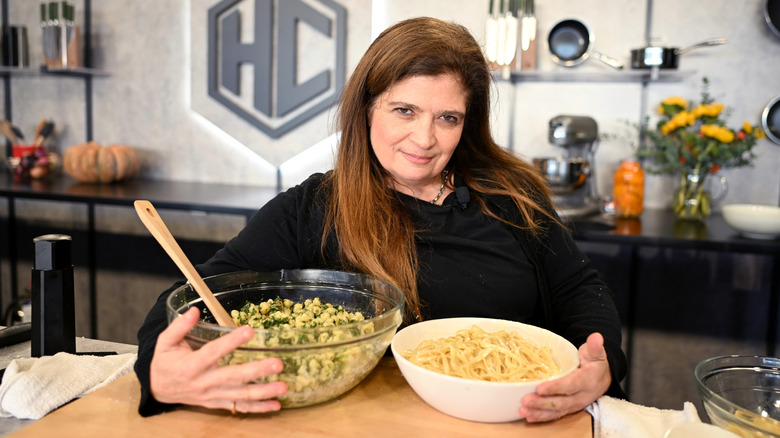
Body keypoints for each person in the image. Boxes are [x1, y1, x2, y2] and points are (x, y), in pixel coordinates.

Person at [135, 16, 627, 422]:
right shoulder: (311, 209)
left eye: (448, 118)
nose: (425, 139)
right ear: (367, 108)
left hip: (512, 421)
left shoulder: (512, 193)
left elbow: (577, 289)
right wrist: (158, 371)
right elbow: (197, 294)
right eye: (404, 110)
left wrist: (601, 364)